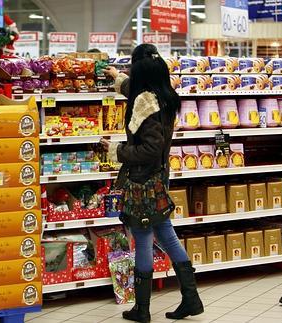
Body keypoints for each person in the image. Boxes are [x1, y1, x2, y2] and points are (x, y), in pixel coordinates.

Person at [101, 44, 204, 323]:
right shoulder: (164, 96)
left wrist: (116, 151)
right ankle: (191, 299)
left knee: (144, 240)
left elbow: (150, 147)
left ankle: (142, 309)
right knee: (167, 235)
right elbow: (136, 93)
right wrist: (117, 77)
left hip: (142, 180)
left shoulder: (144, 104)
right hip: (158, 177)